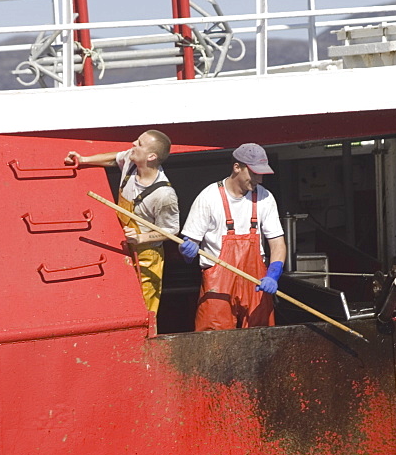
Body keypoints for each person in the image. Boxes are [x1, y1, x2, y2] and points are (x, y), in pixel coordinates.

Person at [65, 130, 179, 314]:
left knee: (143, 307)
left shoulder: (164, 195)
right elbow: (114, 159)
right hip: (122, 241)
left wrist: (142, 238)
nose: (133, 143)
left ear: (151, 156)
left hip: (146, 256)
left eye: (140, 143)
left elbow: (171, 230)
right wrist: (84, 160)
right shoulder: (132, 161)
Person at [179, 143, 287, 331]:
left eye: (261, 174)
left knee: (260, 338)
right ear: (237, 167)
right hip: (218, 284)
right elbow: (190, 245)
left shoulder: (265, 198)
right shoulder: (208, 197)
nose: (258, 180)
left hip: (255, 283)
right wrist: (187, 251)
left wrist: (273, 274)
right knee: (213, 343)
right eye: (254, 173)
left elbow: (277, 243)